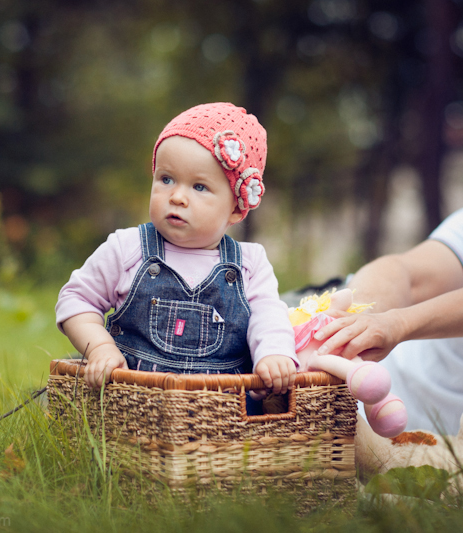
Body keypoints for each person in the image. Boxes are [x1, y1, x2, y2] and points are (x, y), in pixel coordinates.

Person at [55, 103, 298, 391]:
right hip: (132, 402)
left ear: (235, 209)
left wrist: (273, 353)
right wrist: (100, 347)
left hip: (222, 412)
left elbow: (269, 315)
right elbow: (76, 300)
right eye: (166, 179)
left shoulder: (249, 263)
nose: (178, 197)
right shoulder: (128, 247)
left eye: (199, 187)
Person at [314, 208, 463, 433]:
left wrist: (398, 324)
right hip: (361, 386)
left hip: (404, 429)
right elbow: (404, 273)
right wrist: (358, 318)